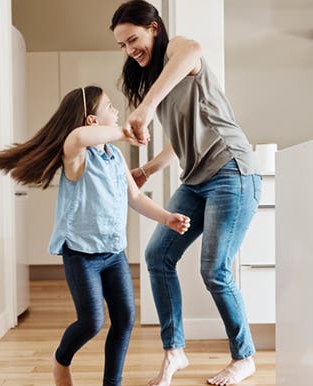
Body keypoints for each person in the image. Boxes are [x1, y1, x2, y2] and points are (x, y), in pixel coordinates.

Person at [0, 86, 191, 386]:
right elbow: (78, 137)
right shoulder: (76, 155)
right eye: (109, 106)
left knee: (124, 318)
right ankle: (61, 360)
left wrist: (166, 218)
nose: (117, 111)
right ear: (92, 120)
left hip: (113, 253)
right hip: (81, 254)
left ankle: (113, 383)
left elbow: (134, 197)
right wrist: (125, 132)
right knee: (92, 321)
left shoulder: (115, 158)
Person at [110, 2, 262, 386]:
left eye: (134, 39)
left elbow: (194, 49)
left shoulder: (179, 51)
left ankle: (244, 357)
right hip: (195, 179)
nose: (130, 50)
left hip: (231, 170)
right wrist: (146, 168)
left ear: (154, 28)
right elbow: (181, 141)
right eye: (123, 45)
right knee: (157, 255)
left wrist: (144, 110)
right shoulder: (155, 78)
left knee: (215, 269)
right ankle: (174, 352)